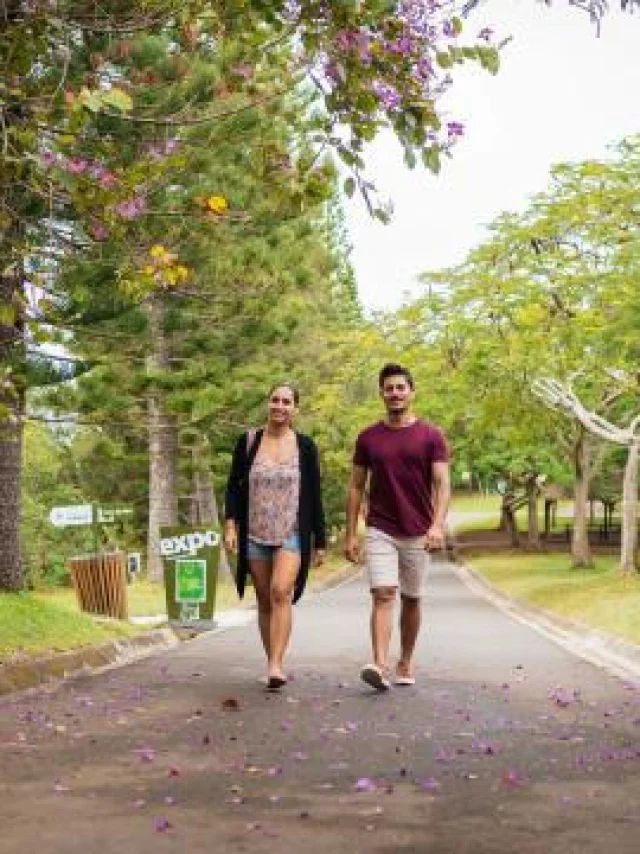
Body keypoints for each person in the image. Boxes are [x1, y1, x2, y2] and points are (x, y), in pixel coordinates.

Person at [345, 363, 450, 691]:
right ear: (381, 394)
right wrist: (351, 533)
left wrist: (437, 526)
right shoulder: (368, 438)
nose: (394, 393)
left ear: (411, 392)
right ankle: (379, 664)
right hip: (381, 528)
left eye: (400, 388)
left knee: (413, 598)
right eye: (388, 388)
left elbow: (443, 483)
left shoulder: (431, 435)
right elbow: (355, 487)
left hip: (419, 529)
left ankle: (405, 658)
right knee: (383, 593)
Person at [224, 382, 326, 691]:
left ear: (295, 409)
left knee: (281, 591)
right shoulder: (249, 442)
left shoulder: (305, 447)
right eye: (275, 400)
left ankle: (276, 664)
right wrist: (231, 524)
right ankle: (272, 661)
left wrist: (320, 540)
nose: (279, 406)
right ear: (268, 404)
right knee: (265, 599)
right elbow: (233, 487)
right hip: (255, 532)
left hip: (291, 531)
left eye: (287, 401)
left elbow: (314, 495)